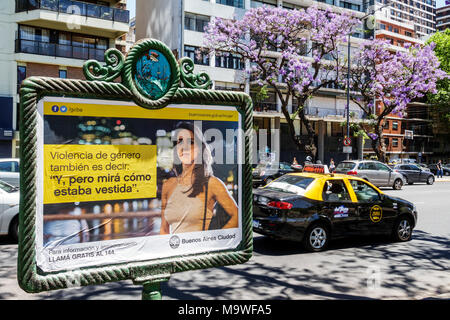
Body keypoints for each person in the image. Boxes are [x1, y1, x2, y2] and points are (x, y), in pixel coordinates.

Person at [159, 121, 238, 234]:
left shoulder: (211, 183)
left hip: (200, 250)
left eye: (190, 142)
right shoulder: (168, 185)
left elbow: (237, 216)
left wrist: (216, 240)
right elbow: (163, 229)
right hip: (174, 251)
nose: (184, 147)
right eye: (179, 141)